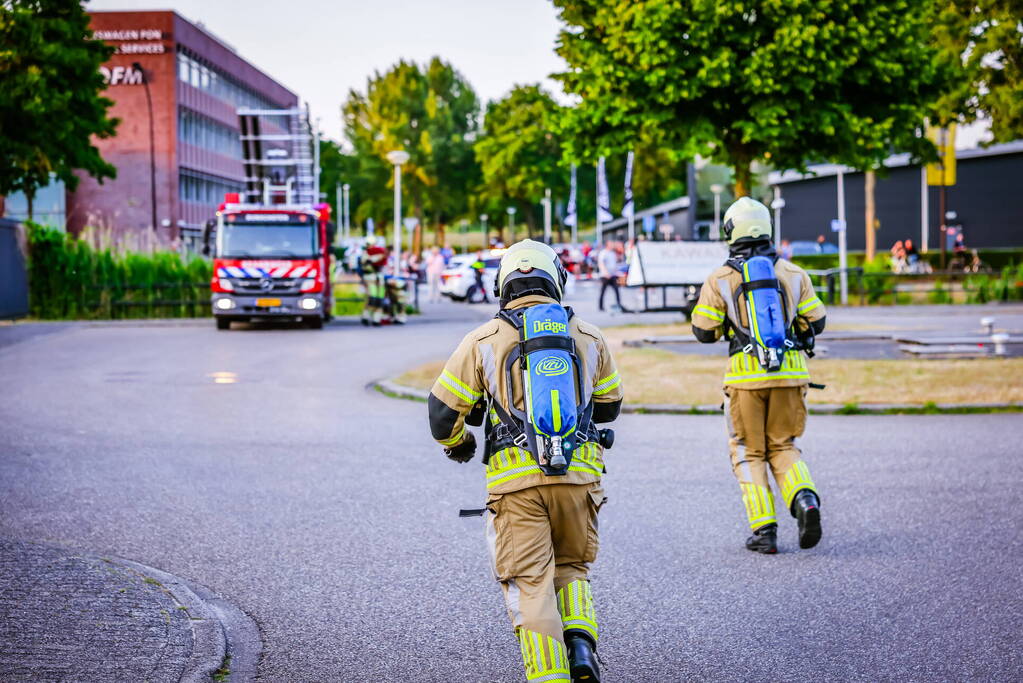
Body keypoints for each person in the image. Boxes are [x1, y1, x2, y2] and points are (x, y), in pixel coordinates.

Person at [428, 240, 623, 682]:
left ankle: (550, 675)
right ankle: (580, 644)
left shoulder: (482, 339)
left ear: (503, 284)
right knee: (572, 567)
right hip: (580, 478)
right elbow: (609, 407)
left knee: (531, 581)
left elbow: (441, 415)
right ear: (557, 280)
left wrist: (459, 443)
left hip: (516, 485)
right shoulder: (589, 335)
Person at [690, 197, 826, 554]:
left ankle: (764, 531)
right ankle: (805, 498)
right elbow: (817, 321)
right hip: (791, 373)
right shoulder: (794, 273)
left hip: (745, 378)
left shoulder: (720, 278)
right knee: (783, 445)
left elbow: (703, 331)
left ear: (730, 230)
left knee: (747, 451)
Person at [359, 237, 389, 326]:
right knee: (372, 298)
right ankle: (366, 316)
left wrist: (382, 256)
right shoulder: (365, 254)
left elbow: (383, 263)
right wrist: (379, 256)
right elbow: (367, 262)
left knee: (380, 299)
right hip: (370, 277)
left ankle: (377, 319)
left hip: (379, 277)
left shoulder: (379, 252)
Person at [597, 240, 629, 312]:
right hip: (605, 275)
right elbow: (601, 263)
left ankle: (619, 304)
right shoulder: (603, 253)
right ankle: (601, 307)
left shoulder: (612, 253)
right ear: (607, 245)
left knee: (616, 290)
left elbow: (616, 262)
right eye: (611, 244)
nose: (612, 245)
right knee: (603, 291)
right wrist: (605, 273)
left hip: (612, 275)